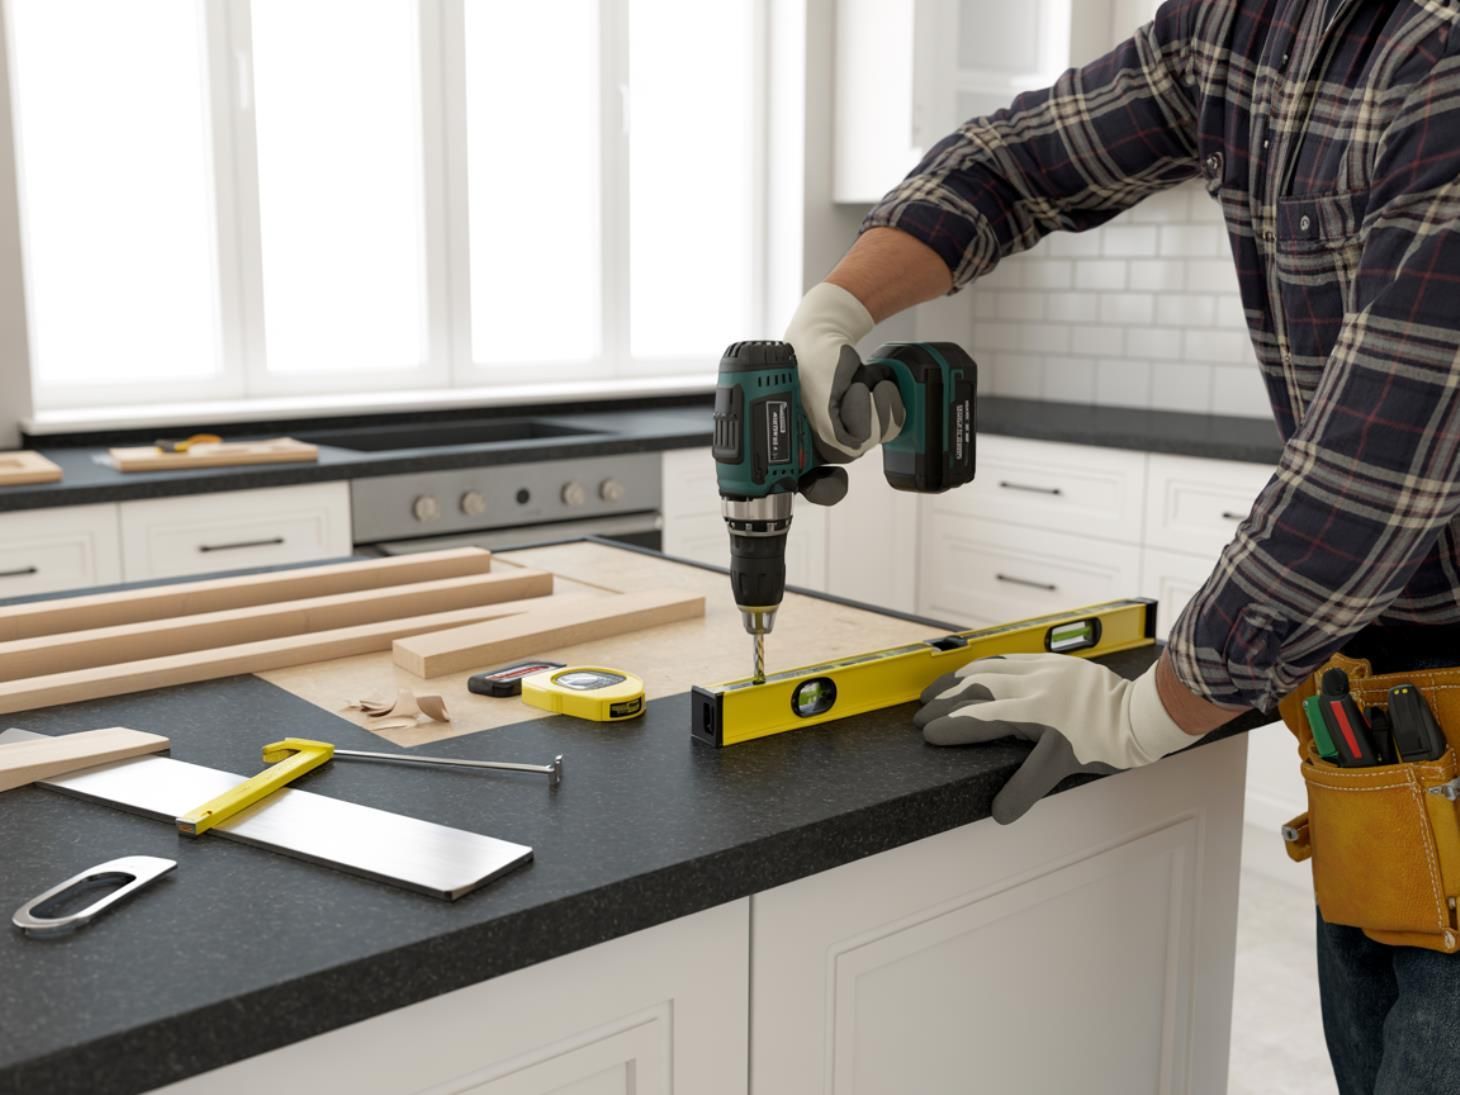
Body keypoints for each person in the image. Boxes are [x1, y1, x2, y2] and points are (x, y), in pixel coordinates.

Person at [783, 1, 1460, 1091]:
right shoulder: (1236, 28)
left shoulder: (1438, 52)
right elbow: (1008, 167)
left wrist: (1134, 715)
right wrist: (831, 309)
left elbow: (1368, 487)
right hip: (1381, 707)